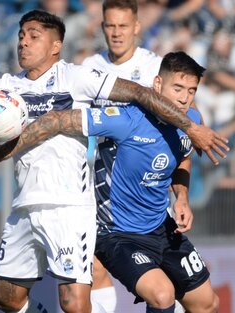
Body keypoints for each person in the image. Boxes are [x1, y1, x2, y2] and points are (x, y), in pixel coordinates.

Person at [0, 10, 228, 313]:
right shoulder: (5, 89)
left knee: (74, 301)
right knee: (5, 298)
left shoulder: (76, 77)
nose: (23, 41)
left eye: (33, 35)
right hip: (25, 205)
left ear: (55, 46)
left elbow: (137, 93)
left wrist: (189, 127)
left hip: (71, 205)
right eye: (21, 34)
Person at [0, 51, 220, 313]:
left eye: (191, 90)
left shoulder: (192, 124)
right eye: (178, 88)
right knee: (162, 296)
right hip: (117, 233)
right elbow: (57, 120)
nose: (185, 98)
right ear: (157, 85)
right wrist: (2, 151)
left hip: (161, 226)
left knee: (207, 304)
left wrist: (182, 198)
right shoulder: (126, 119)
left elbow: (183, 156)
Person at [81, 0, 162, 311]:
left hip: (145, 183)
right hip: (100, 183)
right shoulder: (90, 67)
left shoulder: (154, 67)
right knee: (94, 263)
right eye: (110, 26)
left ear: (137, 27)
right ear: (103, 27)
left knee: (160, 275)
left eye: (123, 26)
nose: (116, 33)